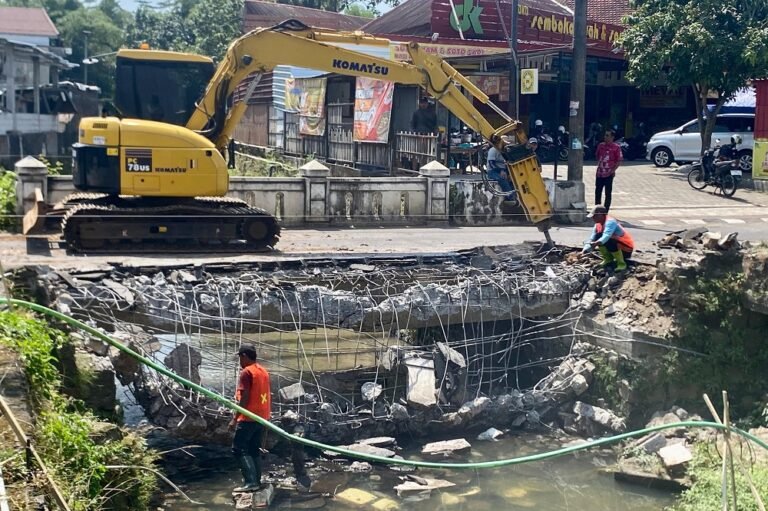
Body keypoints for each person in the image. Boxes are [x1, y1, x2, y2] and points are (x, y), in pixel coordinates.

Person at [230, 344, 272, 492]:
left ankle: (251, 482)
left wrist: (235, 418)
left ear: (244, 356)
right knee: (254, 449)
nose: (240, 362)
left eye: (240, 358)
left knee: (239, 449)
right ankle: (257, 481)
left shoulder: (247, 372)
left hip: (249, 417)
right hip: (262, 417)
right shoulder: (263, 371)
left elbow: (245, 397)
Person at [581, 205, 634, 271]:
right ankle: (608, 259)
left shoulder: (610, 222)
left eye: (594, 216)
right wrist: (585, 250)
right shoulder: (597, 224)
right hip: (617, 247)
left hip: (626, 249)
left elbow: (607, 235)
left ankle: (621, 263)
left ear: (600, 214)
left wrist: (597, 243)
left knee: (609, 240)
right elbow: (592, 238)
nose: (592, 218)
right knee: (598, 236)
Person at [595, 129, 622, 211]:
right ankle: (597, 209)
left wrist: (613, 170)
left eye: (607, 135)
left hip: (609, 173)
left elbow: (619, 160)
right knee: (598, 191)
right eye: (605, 135)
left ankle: (606, 210)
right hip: (600, 173)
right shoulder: (601, 146)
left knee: (608, 192)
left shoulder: (616, 147)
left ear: (612, 137)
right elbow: (597, 155)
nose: (605, 137)